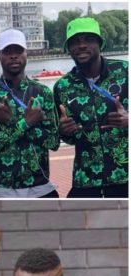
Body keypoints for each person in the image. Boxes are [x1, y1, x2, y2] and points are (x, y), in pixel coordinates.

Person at [0, 29, 60, 198]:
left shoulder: (42, 92)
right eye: (8, 52)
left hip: (41, 188)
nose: (13, 56)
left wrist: (10, 122)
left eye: (18, 51)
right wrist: (26, 123)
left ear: (26, 54)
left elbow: (53, 142)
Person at [54, 17, 128, 198]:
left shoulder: (125, 72)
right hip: (86, 180)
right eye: (75, 42)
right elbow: (68, 138)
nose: (81, 45)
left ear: (99, 43)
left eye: (88, 39)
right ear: (68, 49)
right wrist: (63, 131)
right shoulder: (63, 86)